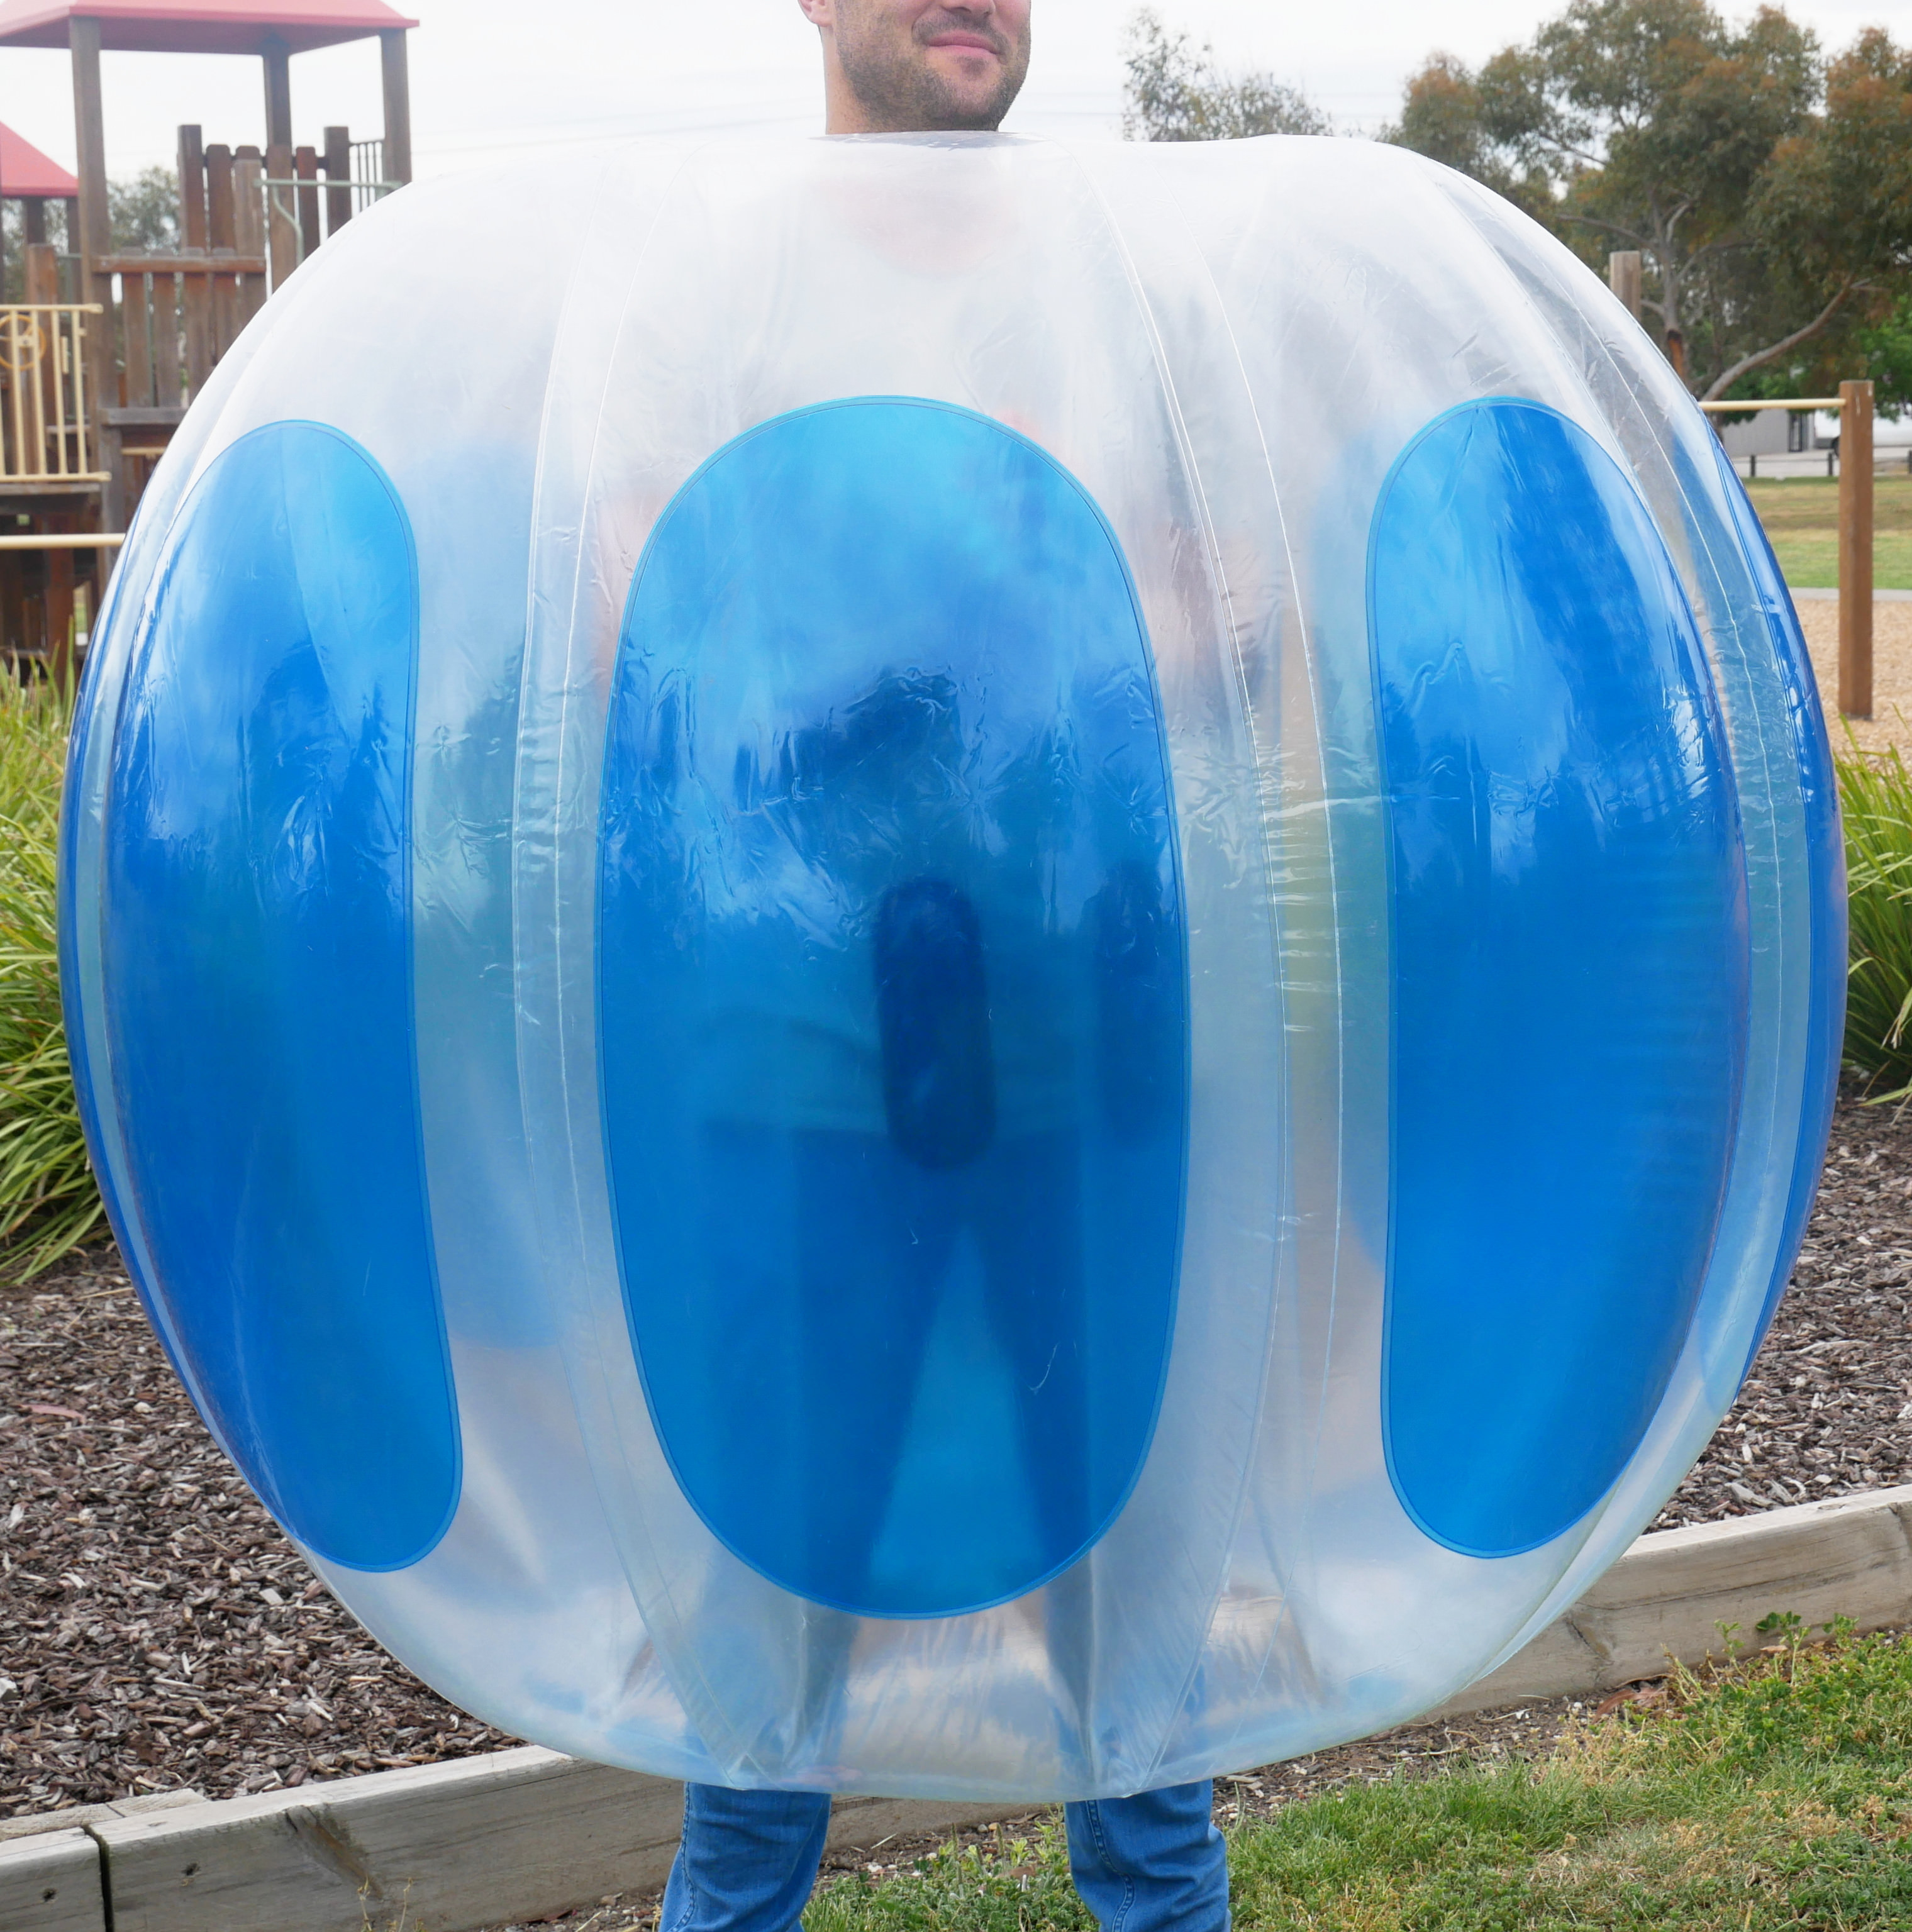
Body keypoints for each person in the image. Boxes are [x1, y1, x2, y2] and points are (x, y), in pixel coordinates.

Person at [655, 7, 1231, 1932]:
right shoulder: (709, 290)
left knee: (1147, 1745)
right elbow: (608, 644)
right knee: (757, 1756)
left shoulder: (1127, 288)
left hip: (1095, 1084)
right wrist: (885, 693)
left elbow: (1249, 619)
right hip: (805, 1089)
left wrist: (1072, 647)